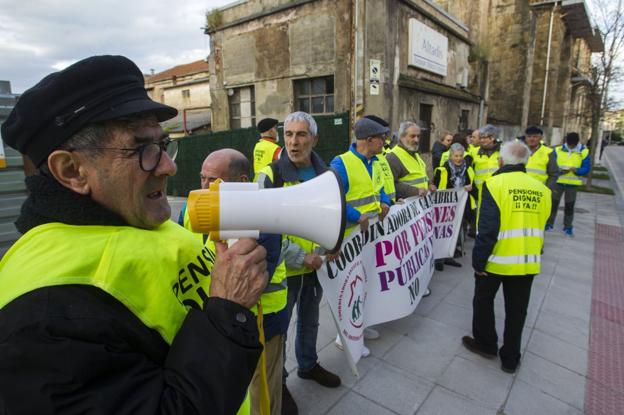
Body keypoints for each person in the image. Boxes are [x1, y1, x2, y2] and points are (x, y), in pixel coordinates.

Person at [0, 55, 269, 414]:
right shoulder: (38, 320)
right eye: (142, 149)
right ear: (72, 171)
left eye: (163, 144)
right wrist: (228, 311)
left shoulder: (133, 217)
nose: (169, 166)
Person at [179, 149, 288, 415]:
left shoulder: (264, 219)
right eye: (202, 178)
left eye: (213, 181)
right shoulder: (189, 210)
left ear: (241, 183)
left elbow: (255, 279)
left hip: (264, 321)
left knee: (261, 391)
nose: (203, 187)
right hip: (215, 321)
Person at [257, 111, 341, 415]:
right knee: (279, 333)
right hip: (284, 271)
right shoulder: (271, 175)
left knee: (311, 321)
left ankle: (308, 365)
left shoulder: (327, 175)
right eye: (289, 134)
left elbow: (333, 215)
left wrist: (334, 243)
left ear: (314, 139)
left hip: (314, 268)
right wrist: (299, 255)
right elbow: (265, 226)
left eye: (301, 134)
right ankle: (279, 384)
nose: (294, 141)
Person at [462, 141, 551, 374]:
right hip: (527, 261)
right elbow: (541, 224)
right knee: (517, 310)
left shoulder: (494, 184)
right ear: (526, 162)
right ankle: (510, 358)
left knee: (483, 300)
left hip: (497, 260)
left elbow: (488, 228)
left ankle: (486, 343)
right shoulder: (543, 190)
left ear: (501, 161)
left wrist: (478, 261)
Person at [330, 117, 393, 355]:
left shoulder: (375, 162)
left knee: (365, 283)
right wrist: (356, 215)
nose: (385, 142)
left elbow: (379, 189)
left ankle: (360, 325)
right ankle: (343, 337)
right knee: (349, 286)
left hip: (368, 238)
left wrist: (385, 202)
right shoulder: (341, 163)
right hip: (349, 238)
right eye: (382, 138)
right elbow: (334, 197)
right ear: (369, 140)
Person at [432, 143, 477, 270]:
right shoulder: (442, 170)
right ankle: (438, 259)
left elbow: (472, 186)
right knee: (442, 232)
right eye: (456, 156)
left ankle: (449, 256)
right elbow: (436, 187)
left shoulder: (468, 169)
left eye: (460, 156)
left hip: (461, 206)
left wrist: (470, 188)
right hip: (445, 208)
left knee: (457, 230)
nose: (458, 158)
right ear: (450, 156)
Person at [545, 132, 590, 237]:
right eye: (569, 144)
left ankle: (568, 227)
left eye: (573, 145)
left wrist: (577, 170)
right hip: (558, 182)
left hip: (572, 184)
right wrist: (560, 170)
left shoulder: (583, 151)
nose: (570, 146)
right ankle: (549, 224)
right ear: (566, 141)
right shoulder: (557, 150)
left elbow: (586, 168)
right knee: (553, 205)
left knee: (569, 206)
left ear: (577, 143)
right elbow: (551, 165)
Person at [385, 121, 432, 199]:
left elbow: (422, 175)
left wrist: (429, 184)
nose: (416, 140)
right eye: (412, 136)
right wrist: (415, 191)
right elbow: (390, 185)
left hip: (419, 206)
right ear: (402, 137)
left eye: (418, 136)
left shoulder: (415, 153)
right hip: (405, 206)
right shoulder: (392, 157)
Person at [472, 124, 501, 195]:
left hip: (497, 192)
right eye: (480, 138)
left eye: (484, 138)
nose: (481, 140)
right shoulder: (473, 152)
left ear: (492, 138)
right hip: (479, 194)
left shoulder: (503, 152)